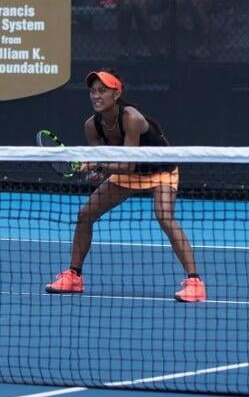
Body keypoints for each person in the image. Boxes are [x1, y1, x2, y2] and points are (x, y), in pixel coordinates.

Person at [45, 70, 202, 302]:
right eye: (93, 91)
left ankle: (195, 282)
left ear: (117, 94)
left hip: (159, 170)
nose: (96, 96)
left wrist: (96, 166)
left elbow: (127, 165)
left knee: (164, 216)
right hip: (126, 173)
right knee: (85, 214)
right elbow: (105, 161)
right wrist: (96, 171)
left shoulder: (132, 118)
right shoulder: (92, 126)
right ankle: (74, 276)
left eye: (102, 91)